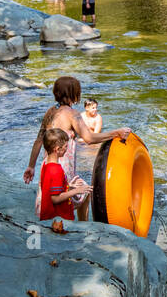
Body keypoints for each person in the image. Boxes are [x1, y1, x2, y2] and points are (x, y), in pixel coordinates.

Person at [23, 77, 131, 218]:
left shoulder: (50, 112)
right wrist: (116, 133)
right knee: (81, 192)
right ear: (73, 94)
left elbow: (38, 141)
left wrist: (31, 166)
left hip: (48, 163)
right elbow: (89, 138)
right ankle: (81, 227)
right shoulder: (72, 114)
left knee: (56, 193)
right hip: (63, 165)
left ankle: (60, 219)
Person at [37, 127, 92, 222]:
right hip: (59, 220)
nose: (67, 149)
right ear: (57, 149)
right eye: (66, 146)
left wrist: (68, 186)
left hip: (48, 217)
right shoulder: (56, 170)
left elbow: (48, 187)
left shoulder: (46, 166)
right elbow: (55, 198)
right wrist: (77, 191)